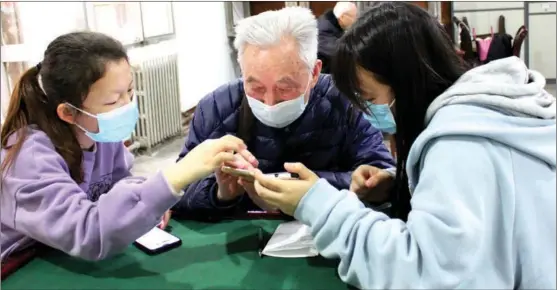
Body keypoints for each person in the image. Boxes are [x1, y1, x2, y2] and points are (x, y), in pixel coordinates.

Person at [251, 2, 556, 289]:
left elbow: (424, 273)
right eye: (255, 86)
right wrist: (401, 186)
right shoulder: (491, 114)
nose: (367, 112)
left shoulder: (460, 145)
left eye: (369, 99)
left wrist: (318, 205)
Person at [0, 31, 251, 261]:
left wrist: (145, 199)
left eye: (129, 91)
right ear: (68, 112)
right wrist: (178, 175)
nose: (127, 105)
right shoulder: (29, 156)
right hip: (20, 265)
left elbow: (119, 183)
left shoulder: (100, 135)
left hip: (60, 257)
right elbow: (88, 233)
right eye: (112, 101)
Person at [172, 7, 395, 219]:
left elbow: (382, 175)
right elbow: (176, 191)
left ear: (314, 72)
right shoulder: (216, 108)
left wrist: (315, 189)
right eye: (256, 87)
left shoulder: (345, 102)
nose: (270, 102)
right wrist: (220, 194)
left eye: (285, 88)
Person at [317, 2, 358, 74]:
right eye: (353, 17)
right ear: (342, 17)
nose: (355, 20)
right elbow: (341, 52)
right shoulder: (324, 29)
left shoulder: (334, 24)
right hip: (322, 76)